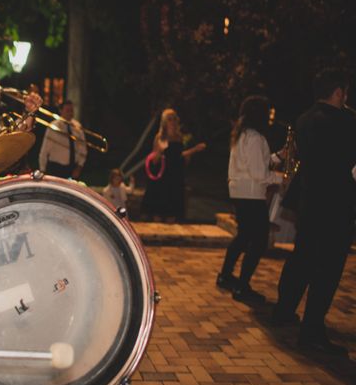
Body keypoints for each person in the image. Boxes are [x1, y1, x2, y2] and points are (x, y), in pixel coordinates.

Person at [273, 68, 356, 355]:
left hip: (308, 201)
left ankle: (283, 310)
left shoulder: (304, 119)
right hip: (336, 204)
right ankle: (312, 332)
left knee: (302, 257)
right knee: (328, 269)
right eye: (345, 91)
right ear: (338, 92)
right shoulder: (347, 121)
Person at [216, 96, 283, 302]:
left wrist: (278, 156)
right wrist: (283, 178)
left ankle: (226, 276)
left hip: (240, 192)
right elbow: (259, 173)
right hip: (251, 195)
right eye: (268, 112)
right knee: (258, 241)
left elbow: (256, 164)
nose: (271, 116)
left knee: (244, 236)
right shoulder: (255, 138)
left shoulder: (243, 135)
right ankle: (242, 287)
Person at [141, 108, 206, 222]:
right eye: (169, 119)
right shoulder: (160, 137)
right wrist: (160, 150)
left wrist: (195, 150)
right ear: (164, 122)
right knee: (158, 211)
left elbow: (178, 155)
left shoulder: (179, 136)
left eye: (174, 118)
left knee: (172, 210)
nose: (173, 121)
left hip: (175, 174)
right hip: (162, 174)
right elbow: (154, 161)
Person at [38, 100, 88, 179]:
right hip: (55, 168)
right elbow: (44, 150)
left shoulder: (77, 126)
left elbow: (83, 150)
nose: (70, 113)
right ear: (61, 111)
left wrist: (79, 167)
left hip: (72, 168)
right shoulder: (53, 127)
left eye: (71, 110)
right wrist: (42, 169)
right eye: (67, 110)